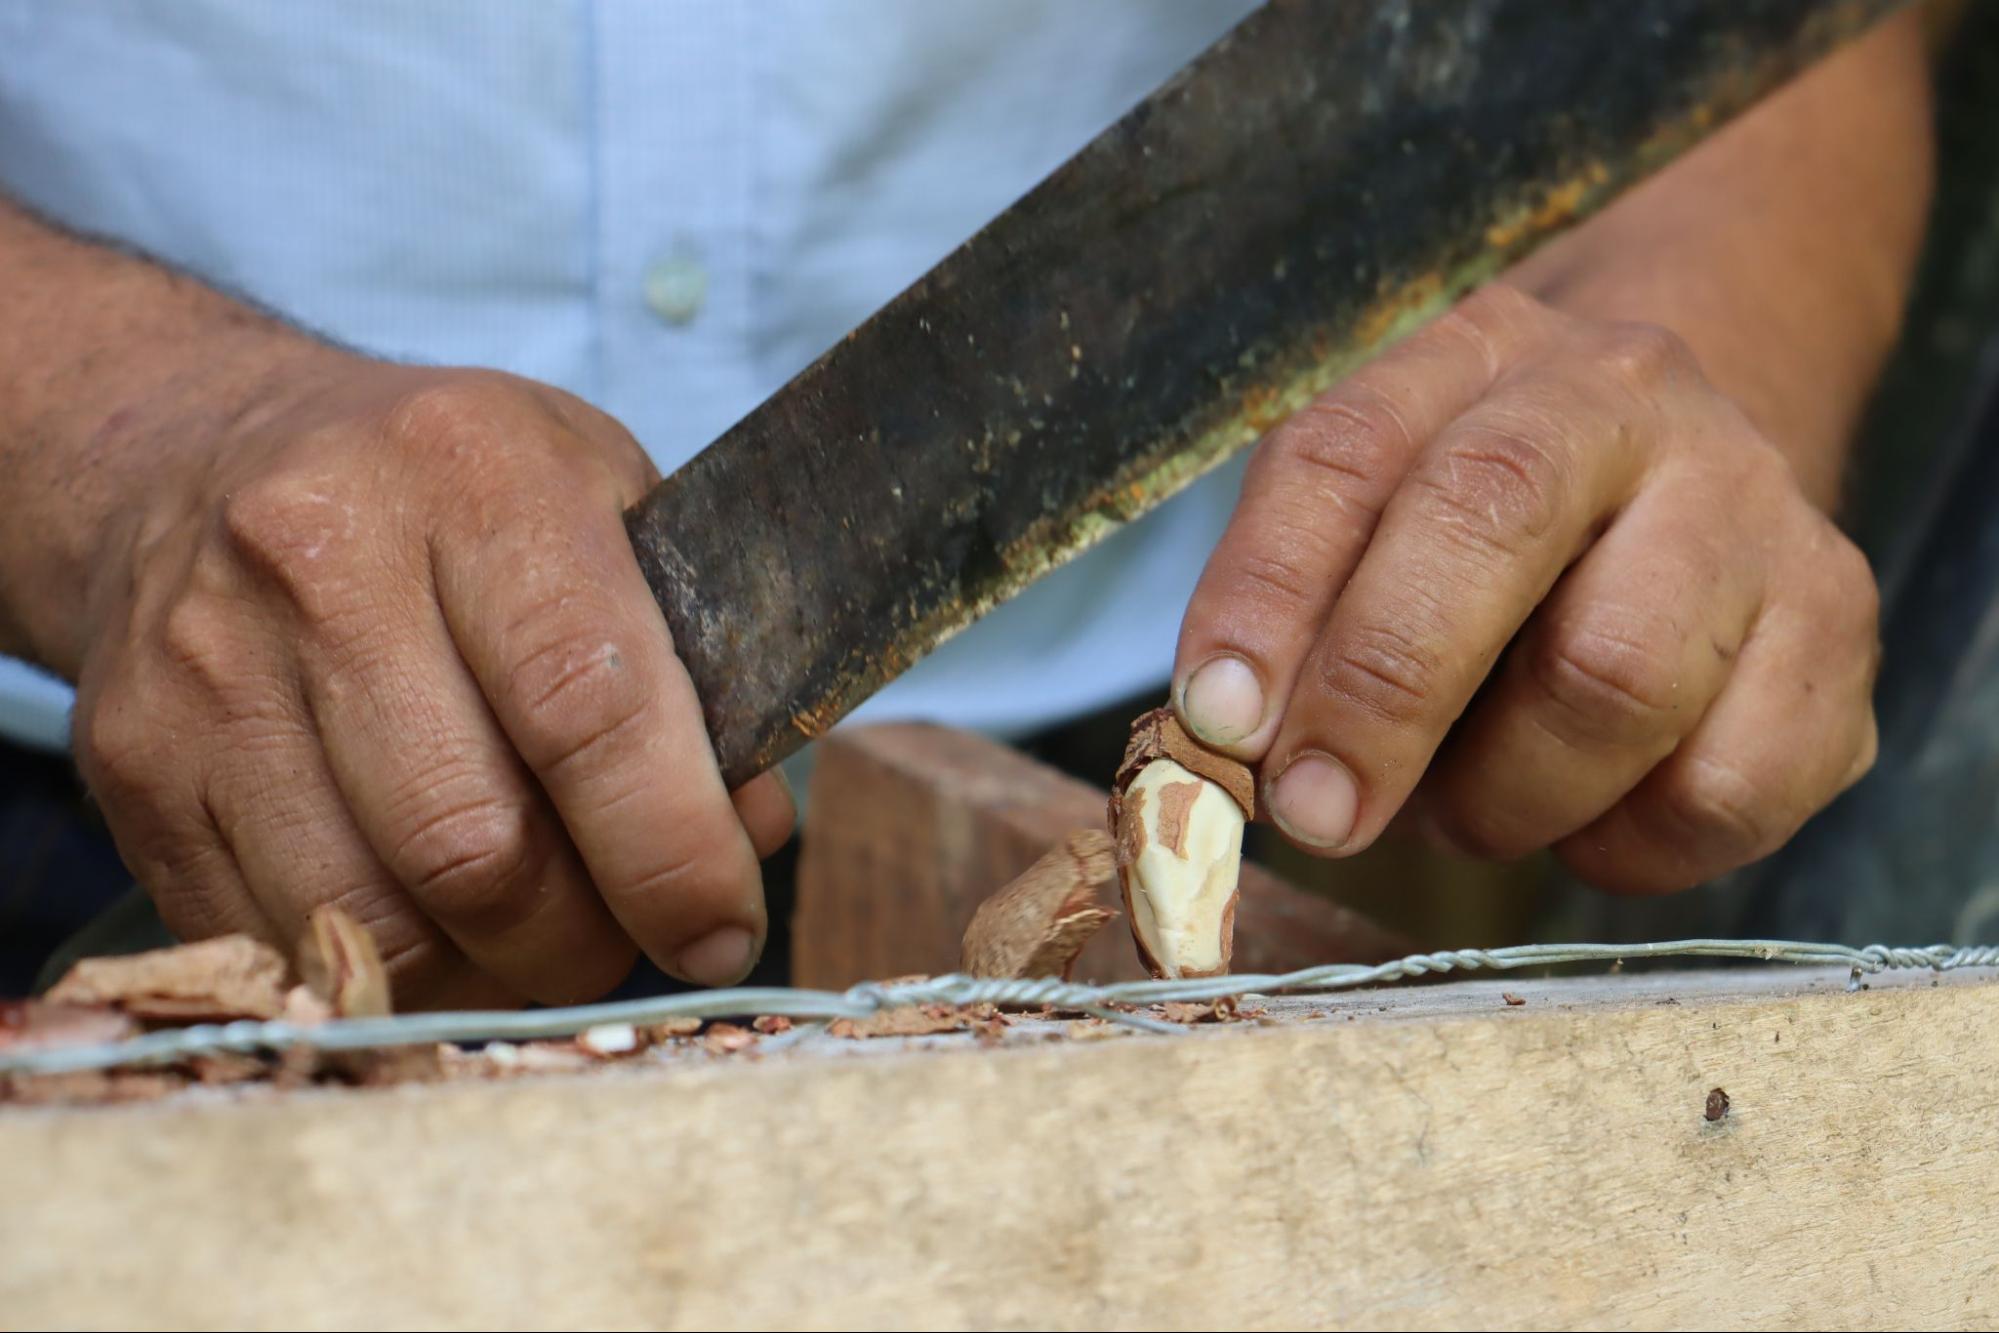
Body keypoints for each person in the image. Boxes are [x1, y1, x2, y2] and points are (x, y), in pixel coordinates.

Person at [0, 3, 1934, 1006]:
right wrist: (117, 434)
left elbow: (1721, 52)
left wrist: (1674, 388)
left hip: (1144, 778)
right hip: (131, 755)